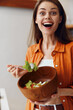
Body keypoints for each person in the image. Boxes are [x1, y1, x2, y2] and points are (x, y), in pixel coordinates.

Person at [7, 0, 73, 110]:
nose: (47, 17)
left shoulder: (71, 49)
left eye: (53, 13)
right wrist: (25, 74)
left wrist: (60, 92)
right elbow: (33, 86)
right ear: (36, 19)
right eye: (42, 13)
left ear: (60, 19)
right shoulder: (31, 51)